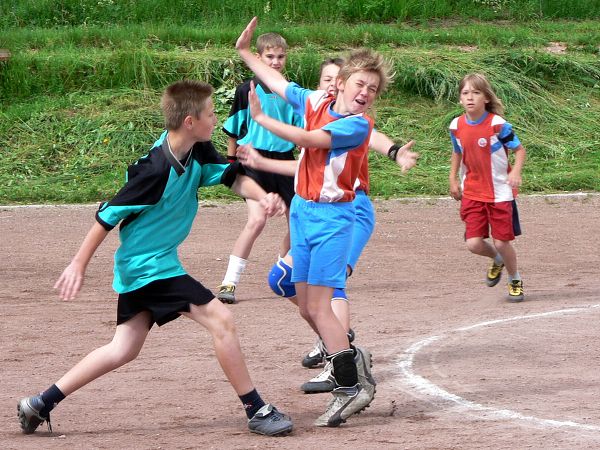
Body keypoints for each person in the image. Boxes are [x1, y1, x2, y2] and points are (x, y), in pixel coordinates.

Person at [16, 80, 293, 437]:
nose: (216, 119)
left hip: (151, 265)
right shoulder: (155, 169)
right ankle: (256, 409)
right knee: (221, 319)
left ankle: (39, 403)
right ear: (190, 122)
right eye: (211, 114)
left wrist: (262, 196)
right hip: (149, 267)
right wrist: (78, 264)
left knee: (122, 349)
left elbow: (232, 178)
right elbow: (107, 216)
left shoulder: (198, 150)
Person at [235, 16, 391, 427]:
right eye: (360, 84)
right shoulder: (316, 101)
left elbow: (309, 141)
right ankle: (352, 360)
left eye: (373, 89)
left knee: (321, 307)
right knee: (305, 304)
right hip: (304, 212)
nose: (366, 93)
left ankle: (351, 387)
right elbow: (278, 83)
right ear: (340, 84)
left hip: (334, 219)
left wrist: (264, 122)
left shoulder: (357, 126)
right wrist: (246, 53)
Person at [217, 31, 303, 304]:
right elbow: (233, 130)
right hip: (253, 162)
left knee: (297, 222)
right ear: (258, 57)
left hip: (284, 162)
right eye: (270, 56)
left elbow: (301, 131)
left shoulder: (292, 90)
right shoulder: (247, 89)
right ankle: (229, 283)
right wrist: (232, 164)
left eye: (280, 56)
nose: (276, 62)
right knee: (257, 220)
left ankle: (284, 270)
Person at [449, 72, 526, 302]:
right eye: (465, 93)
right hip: (472, 191)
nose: (470, 97)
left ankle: (515, 279)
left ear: (486, 98)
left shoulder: (497, 125)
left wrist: (515, 171)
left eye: (476, 92)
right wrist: (452, 178)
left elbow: (519, 150)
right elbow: (457, 152)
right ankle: (497, 259)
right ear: (460, 99)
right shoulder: (456, 126)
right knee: (473, 244)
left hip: (500, 192)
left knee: (503, 241)